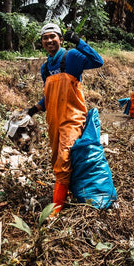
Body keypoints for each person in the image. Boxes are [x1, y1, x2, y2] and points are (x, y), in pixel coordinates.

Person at [27, 23, 104, 215]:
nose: (49, 40)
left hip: (72, 118)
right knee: (58, 160)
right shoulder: (45, 68)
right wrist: (35, 108)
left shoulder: (71, 56)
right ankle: (69, 194)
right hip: (53, 121)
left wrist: (78, 41)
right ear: (42, 42)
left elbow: (98, 61)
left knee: (64, 158)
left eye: (53, 36)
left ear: (60, 39)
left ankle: (56, 209)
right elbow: (49, 95)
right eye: (45, 38)